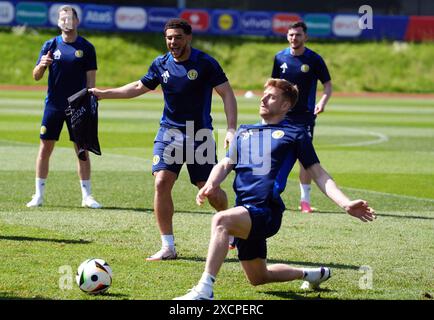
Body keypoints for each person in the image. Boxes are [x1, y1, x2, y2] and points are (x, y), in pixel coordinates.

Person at [174, 78, 375, 300]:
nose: (263, 98)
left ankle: (205, 290)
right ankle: (310, 274)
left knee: (221, 221)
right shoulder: (244, 131)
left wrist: (345, 203)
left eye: (271, 96)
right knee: (259, 277)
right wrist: (211, 184)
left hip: (265, 211)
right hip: (245, 211)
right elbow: (224, 164)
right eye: (264, 94)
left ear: (285, 106)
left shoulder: (295, 134)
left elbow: (318, 173)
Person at [90, 18, 237, 261]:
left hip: (199, 135)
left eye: (178, 37)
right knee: (161, 182)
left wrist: (231, 128)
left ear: (188, 37)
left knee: (209, 190)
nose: (173, 42)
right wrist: (105, 94)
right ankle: (167, 246)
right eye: (169, 38)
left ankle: (231, 223)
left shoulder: (205, 63)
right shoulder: (161, 64)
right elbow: (138, 86)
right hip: (169, 133)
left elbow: (227, 94)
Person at [27, 5, 101, 209]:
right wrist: (42, 64)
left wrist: (89, 105)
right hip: (53, 106)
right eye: (62, 18)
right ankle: (38, 195)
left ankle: (87, 196)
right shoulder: (50, 44)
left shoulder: (86, 47)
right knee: (45, 148)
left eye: (69, 17)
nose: (66, 21)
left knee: (81, 150)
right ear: (59, 22)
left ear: (77, 21)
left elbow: (91, 83)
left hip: (78, 106)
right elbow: (36, 76)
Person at [272, 21, 332, 213]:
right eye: (291, 34)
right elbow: (273, 85)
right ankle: (270, 193)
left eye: (298, 35)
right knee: (276, 154)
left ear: (305, 37)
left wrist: (322, 103)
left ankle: (304, 201)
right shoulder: (279, 57)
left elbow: (327, 85)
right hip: (281, 116)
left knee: (304, 158)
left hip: (304, 117)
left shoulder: (314, 59)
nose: (294, 38)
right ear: (287, 36)